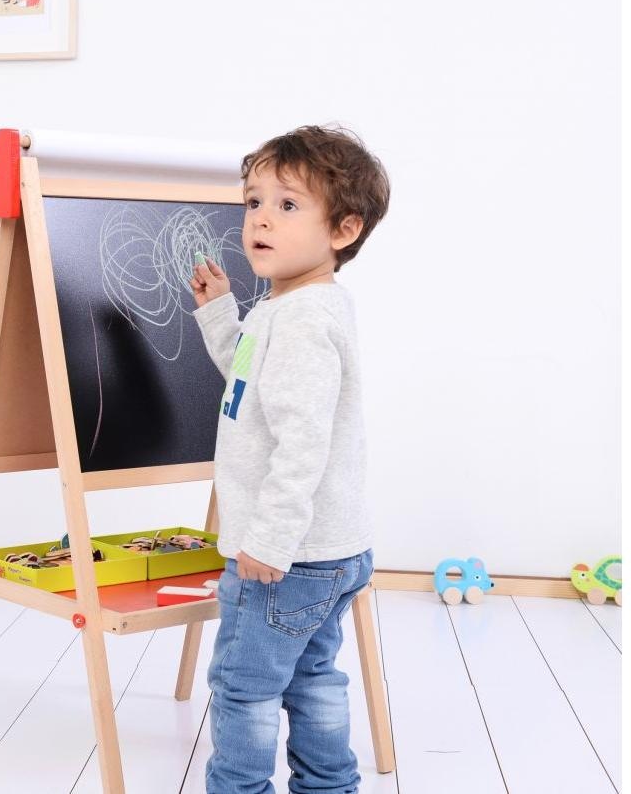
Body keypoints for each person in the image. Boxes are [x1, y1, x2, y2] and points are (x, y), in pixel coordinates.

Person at [189, 125, 391, 793]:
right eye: (253, 202)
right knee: (311, 676)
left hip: (286, 558)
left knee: (243, 686)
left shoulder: (302, 322)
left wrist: (269, 540)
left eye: (287, 205)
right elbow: (248, 383)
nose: (261, 219)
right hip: (331, 549)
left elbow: (303, 444)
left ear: (343, 228)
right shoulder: (289, 308)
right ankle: (330, 785)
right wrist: (221, 315)